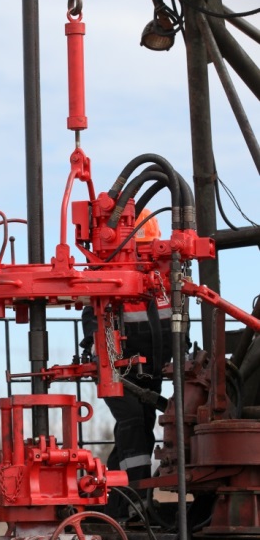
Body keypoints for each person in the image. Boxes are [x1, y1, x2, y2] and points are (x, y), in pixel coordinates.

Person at [81, 210, 172, 520]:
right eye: (141, 251)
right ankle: (136, 500)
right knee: (133, 423)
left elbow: (177, 322)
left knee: (140, 433)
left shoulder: (166, 278)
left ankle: (108, 504)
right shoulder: (111, 275)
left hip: (154, 372)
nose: (145, 258)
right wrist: (97, 346)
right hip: (117, 371)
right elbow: (93, 314)